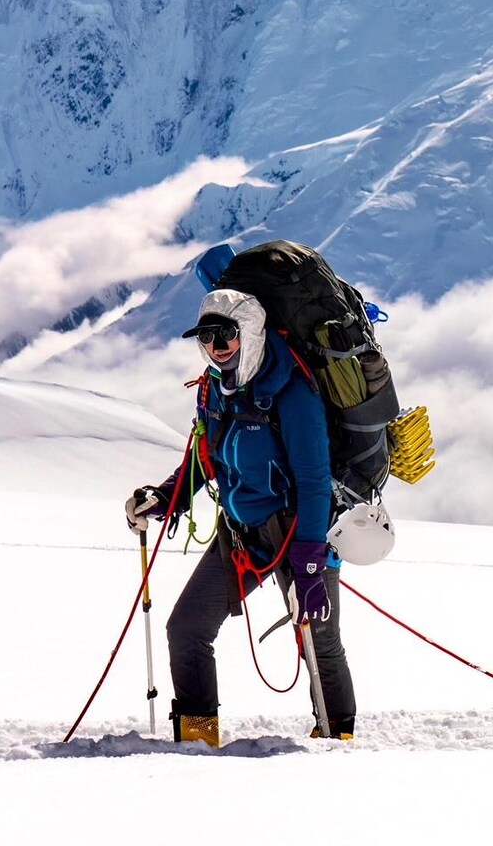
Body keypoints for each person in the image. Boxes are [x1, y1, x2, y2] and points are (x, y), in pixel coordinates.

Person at [125, 286, 356, 748]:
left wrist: (310, 561)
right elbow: (205, 456)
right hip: (241, 534)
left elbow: (314, 481)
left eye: (226, 334)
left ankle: (337, 740)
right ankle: (197, 740)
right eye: (206, 337)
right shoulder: (214, 389)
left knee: (319, 638)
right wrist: (166, 496)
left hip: (299, 534)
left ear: (249, 332)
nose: (216, 346)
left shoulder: (293, 391)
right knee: (187, 629)